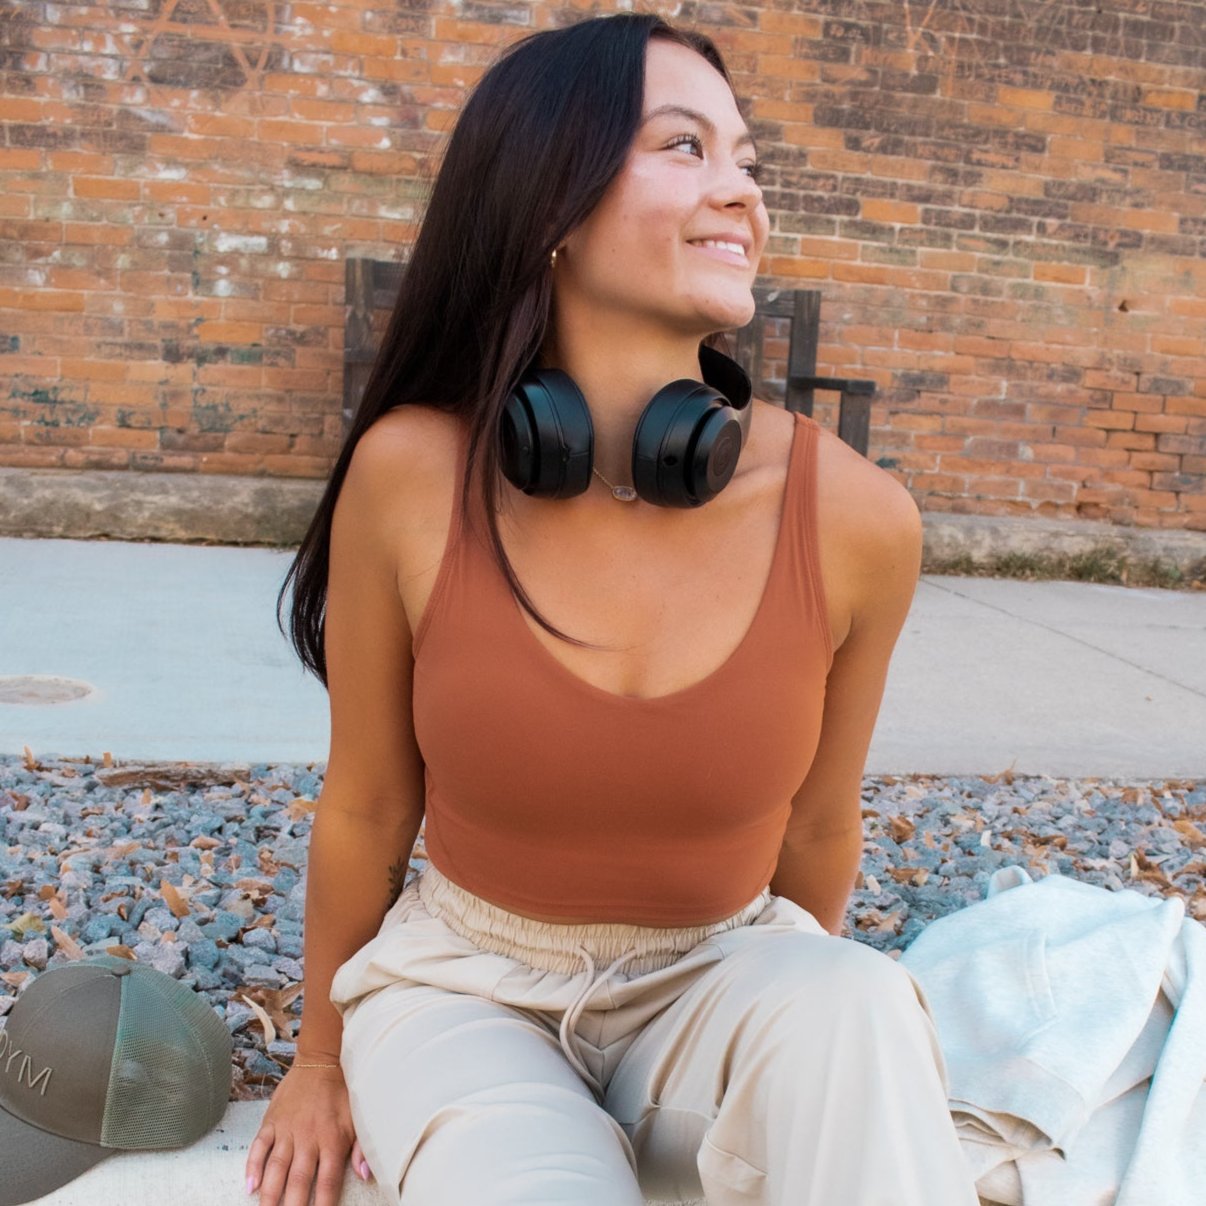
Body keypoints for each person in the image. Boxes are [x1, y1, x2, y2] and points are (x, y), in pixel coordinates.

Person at [246, 13, 981, 1206]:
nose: (741, 191)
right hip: (463, 989)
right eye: (686, 146)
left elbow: (817, 831)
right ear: (550, 201)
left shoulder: (858, 518)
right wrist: (318, 1060)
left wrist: (795, 1078)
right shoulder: (412, 476)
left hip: (718, 974)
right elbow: (370, 804)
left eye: (748, 160)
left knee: (859, 1003)